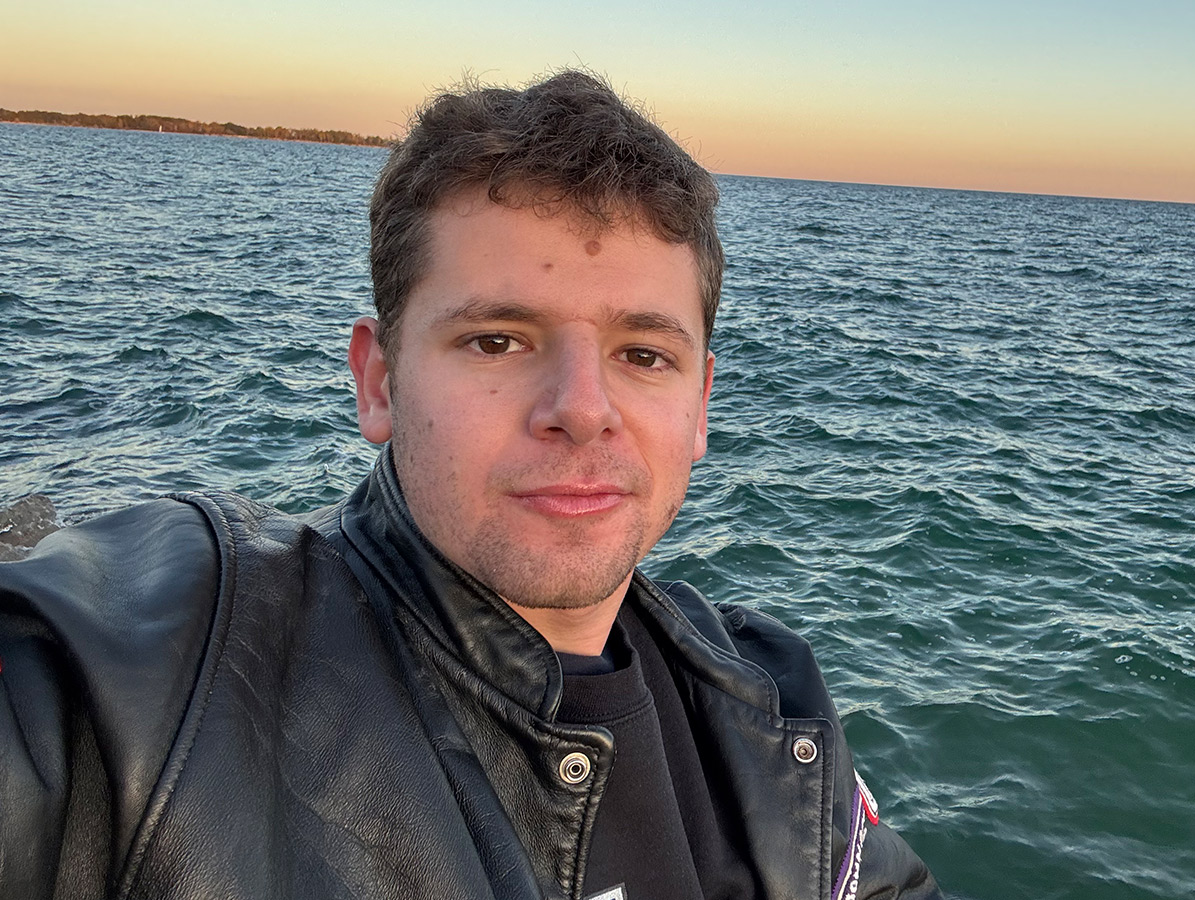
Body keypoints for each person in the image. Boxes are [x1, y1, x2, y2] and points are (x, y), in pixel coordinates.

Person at [0, 71, 941, 900]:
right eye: (498, 340)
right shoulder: (163, 676)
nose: (583, 409)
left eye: (643, 354)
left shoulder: (768, 702)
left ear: (699, 406)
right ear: (379, 380)